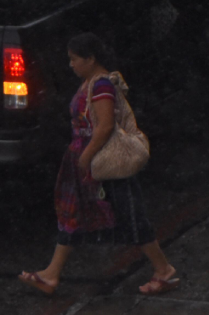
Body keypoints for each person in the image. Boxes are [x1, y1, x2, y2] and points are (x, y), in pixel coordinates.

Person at [18, 33, 179, 296]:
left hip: (105, 162)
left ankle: (163, 269)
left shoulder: (102, 85)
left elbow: (104, 126)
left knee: (130, 213)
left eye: (74, 59)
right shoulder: (91, 82)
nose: (70, 65)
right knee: (74, 214)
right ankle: (51, 274)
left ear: (90, 59)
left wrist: (86, 155)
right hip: (89, 160)